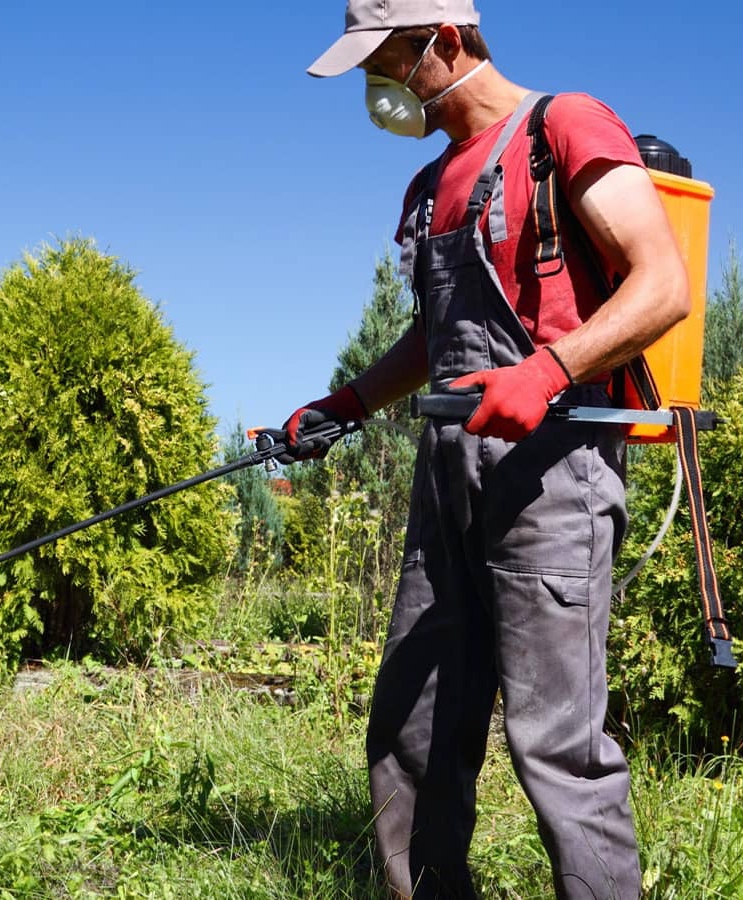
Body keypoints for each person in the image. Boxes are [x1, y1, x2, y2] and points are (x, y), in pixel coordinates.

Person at [284, 1, 690, 897]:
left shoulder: (562, 127)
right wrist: (342, 405)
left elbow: (663, 285)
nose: (376, 83)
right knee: (412, 725)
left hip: (552, 470)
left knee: (555, 745)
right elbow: (434, 337)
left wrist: (547, 372)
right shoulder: (430, 185)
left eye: (385, 59)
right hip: (447, 472)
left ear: (446, 39)